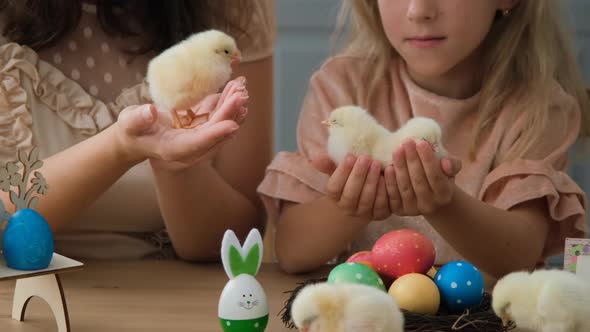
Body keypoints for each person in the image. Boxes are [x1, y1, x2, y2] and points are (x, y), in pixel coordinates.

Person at [258, 0, 589, 281]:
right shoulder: (341, 89)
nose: (419, 10)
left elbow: (520, 255)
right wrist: (353, 205)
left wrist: (445, 204)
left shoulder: (537, 109)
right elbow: (291, 251)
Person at [0, 0, 275, 260]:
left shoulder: (229, 11)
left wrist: (179, 166)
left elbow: (235, 243)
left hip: (167, 297)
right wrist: (118, 147)